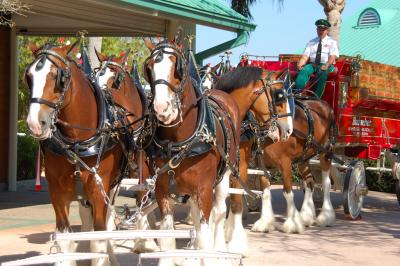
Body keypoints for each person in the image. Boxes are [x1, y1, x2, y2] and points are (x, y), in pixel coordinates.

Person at [295, 19, 339, 98]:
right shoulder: (311, 42)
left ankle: (316, 97)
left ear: (327, 30)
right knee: (304, 70)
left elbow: (333, 56)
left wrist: (327, 64)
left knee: (322, 72)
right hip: (313, 65)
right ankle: (298, 92)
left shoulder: (332, 42)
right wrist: (301, 64)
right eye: (319, 29)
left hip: (326, 64)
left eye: (323, 29)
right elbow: (305, 56)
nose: (320, 31)